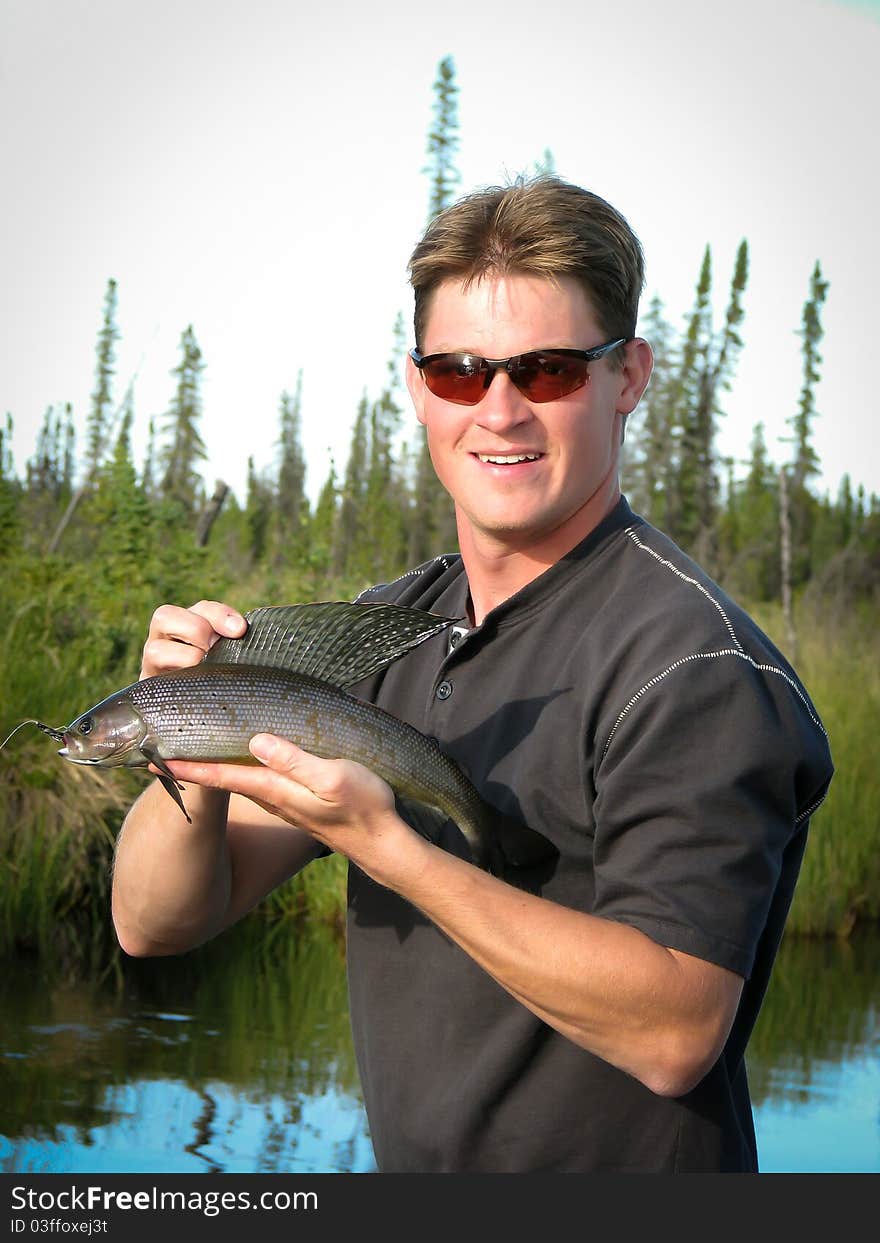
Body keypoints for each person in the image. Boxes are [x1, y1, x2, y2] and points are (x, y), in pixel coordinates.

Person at [111, 175, 834, 1173]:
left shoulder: (691, 664)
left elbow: (674, 1031)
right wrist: (181, 728)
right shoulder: (377, 636)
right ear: (416, 389)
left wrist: (391, 846)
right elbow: (156, 920)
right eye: (458, 372)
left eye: (545, 371)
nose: (499, 411)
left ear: (627, 377)